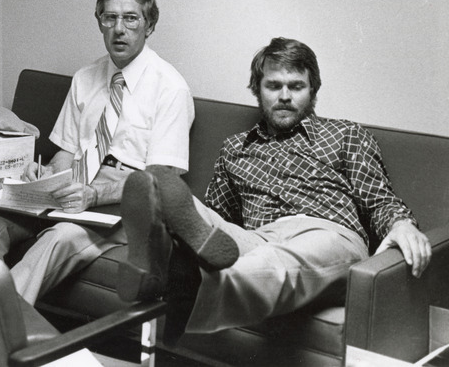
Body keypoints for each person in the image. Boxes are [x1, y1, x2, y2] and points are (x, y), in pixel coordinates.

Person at [117, 37, 432, 340]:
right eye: (273, 86)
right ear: (258, 90)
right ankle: (163, 255)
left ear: (313, 92)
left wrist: (401, 223)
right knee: (180, 201)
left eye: (296, 86)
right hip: (258, 238)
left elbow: (379, 201)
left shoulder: (345, 134)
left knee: (275, 263)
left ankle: (182, 278)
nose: (285, 95)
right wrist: (193, 220)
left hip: (327, 236)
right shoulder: (234, 149)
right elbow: (211, 226)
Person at [0, 0, 195, 304]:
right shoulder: (86, 78)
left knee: (60, 237)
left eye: (130, 18)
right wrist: (44, 176)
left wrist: (95, 193)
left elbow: (160, 180)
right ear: (99, 22)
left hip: (127, 200)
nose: (119, 28)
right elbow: (66, 151)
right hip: (75, 181)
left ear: (149, 25)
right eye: (109, 17)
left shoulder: (170, 88)